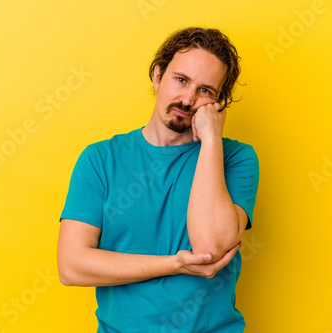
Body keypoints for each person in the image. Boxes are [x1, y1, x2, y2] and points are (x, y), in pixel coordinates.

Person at [57, 27, 259, 333]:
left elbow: (210, 246)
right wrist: (174, 264)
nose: (189, 99)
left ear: (219, 104)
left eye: (206, 91)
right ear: (157, 76)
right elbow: (72, 266)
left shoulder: (236, 158)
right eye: (181, 80)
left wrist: (211, 140)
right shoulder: (100, 159)